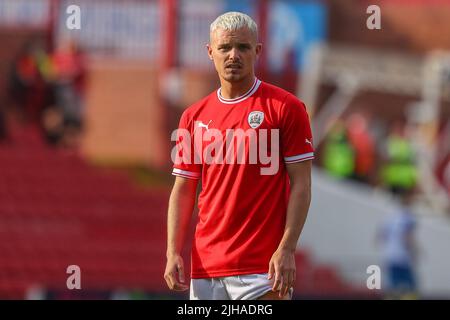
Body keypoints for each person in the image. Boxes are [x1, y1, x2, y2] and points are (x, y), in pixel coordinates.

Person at [164, 12, 314, 300]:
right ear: (210, 52)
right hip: (206, 268)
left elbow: (302, 185)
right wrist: (173, 251)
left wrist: (288, 247)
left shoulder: (286, 108)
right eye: (224, 48)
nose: (234, 55)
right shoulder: (193, 117)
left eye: (243, 47)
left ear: (257, 51)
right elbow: (183, 190)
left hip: (262, 268)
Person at [377, 194, 419, 299]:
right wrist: (415, 251)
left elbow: (380, 236)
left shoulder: (390, 217)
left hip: (390, 256)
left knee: (393, 287)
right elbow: (407, 237)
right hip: (402, 257)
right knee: (411, 288)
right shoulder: (408, 217)